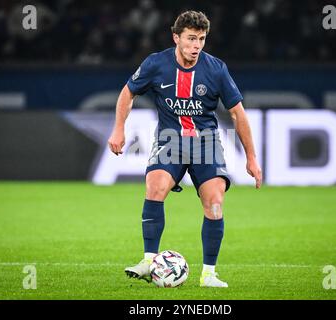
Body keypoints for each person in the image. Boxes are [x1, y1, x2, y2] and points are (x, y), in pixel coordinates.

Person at [108, 10, 262, 288]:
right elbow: (127, 92)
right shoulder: (156, 64)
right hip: (170, 140)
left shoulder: (216, 69)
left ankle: (209, 274)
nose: (196, 46)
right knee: (155, 187)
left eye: (201, 39)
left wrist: (251, 157)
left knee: (214, 202)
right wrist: (119, 128)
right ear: (176, 37)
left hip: (206, 143)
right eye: (191, 39)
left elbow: (238, 114)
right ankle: (148, 260)